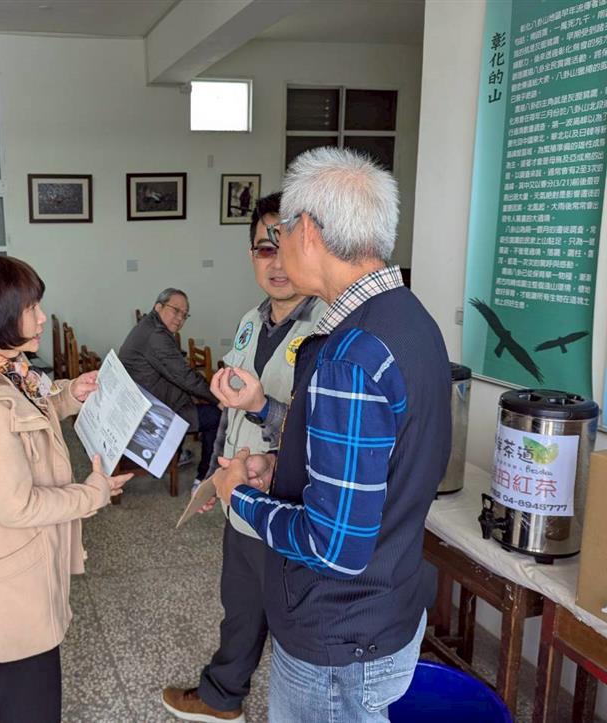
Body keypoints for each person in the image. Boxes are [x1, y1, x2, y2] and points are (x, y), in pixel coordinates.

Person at [212, 147, 451, 722]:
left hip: (338, 636)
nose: (280, 245)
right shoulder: (411, 320)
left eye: (285, 229)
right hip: (383, 609)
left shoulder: (351, 356)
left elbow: (333, 545)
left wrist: (238, 496)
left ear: (310, 232)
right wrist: (285, 469)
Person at [0, 256, 132, 723]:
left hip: (15, 567)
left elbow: (28, 409)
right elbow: (16, 505)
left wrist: (69, 395)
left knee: (3, 681)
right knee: (24, 694)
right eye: (31, 307)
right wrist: (95, 491)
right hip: (11, 581)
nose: (42, 317)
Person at [162, 192, 326, 723]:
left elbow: (321, 437)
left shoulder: (328, 331)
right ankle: (221, 696)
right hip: (240, 495)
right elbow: (230, 414)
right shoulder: (251, 322)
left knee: (289, 618)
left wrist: (262, 405)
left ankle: (287, 707)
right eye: (262, 249)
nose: (276, 263)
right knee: (240, 604)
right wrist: (212, 476)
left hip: (289, 507)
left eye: (286, 246)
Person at [119, 288, 220, 486]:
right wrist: (218, 399)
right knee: (216, 416)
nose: (180, 318)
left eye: (184, 314)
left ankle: (175, 454)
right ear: (158, 307)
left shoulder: (149, 325)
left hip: (144, 401)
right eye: (176, 310)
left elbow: (178, 373)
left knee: (195, 397)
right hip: (152, 415)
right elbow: (184, 376)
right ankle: (204, 477)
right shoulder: (155, 334)